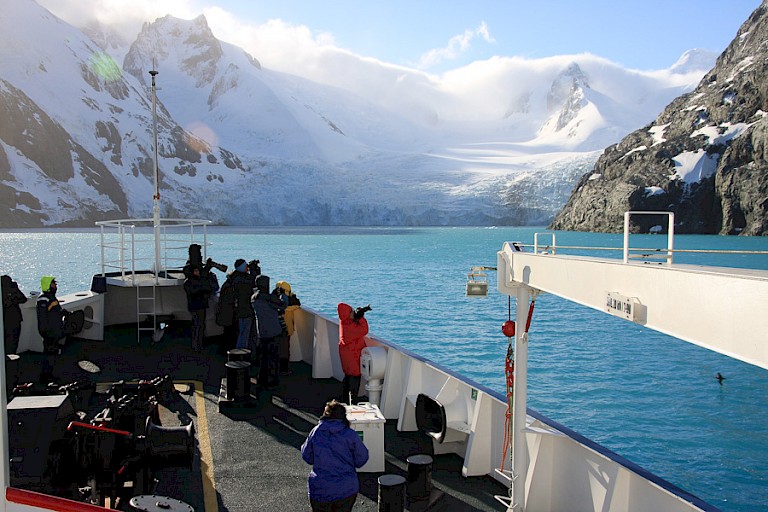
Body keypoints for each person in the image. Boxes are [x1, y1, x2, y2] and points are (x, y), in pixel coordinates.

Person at [301, 399, 369, 512]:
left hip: (320, 489)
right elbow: (362, 458)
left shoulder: (316, 431)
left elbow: (306, 456)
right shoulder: (350, 434)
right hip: (346, 488)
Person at [251, 275, 285, 388]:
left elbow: (266, 302)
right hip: (273, 331)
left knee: (263, 357)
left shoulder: (254, 297)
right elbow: (282, 305)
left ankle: (262, 379)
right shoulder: (269, 298)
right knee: (274, 358)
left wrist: (273, 295)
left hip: (261, 332)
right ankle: (274, 380)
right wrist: (283, 295)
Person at [337, 303, 371, 404]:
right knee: (354, 378)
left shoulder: (344, 322)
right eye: (351, 311)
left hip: (347, 354)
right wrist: (361, 318)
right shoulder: (350, 326)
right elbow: (364, 330)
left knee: (348, 377)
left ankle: (345, 399)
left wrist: (356, 317)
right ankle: (352, 401)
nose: (353, 312)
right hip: (353, 355)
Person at [36, 276, 67, 383]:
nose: (56, 285)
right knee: (49, 353)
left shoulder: (52, 298)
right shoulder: (43, 299)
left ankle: (50, 374)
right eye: (54, 283)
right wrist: (46, 332)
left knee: (53, 353)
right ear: (48, 285)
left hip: (55, 331)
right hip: (49, 332)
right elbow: (43, 318)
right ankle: (45, 376)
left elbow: (55, 313)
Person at [184, 265, 214, 352]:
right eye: (196, 271)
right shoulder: (194, 282)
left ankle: (196, 344)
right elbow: (204, 289)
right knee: (199, 326)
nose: (198, 272)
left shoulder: (188, 282)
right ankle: (198, 345)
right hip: (198, 305)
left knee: (196, 325)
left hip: (194, 306)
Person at [274, 280, 301, 375]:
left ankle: (276, 368)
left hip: (275, 329)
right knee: (284, 350)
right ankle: (284, 370)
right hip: (285, 329)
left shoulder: (273, 300)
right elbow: (297, 305)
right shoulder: (289, 303)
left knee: (276, 349)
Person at [231, 258, 256, 351]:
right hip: (245, 309)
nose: (247, 267)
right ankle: (241, 353)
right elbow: (254, 283)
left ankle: (242, 352)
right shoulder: (243, 280)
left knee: (243, 332)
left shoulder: (235, 277)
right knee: (244, 333)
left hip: (241, 309)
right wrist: (254, 271)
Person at [2, 274, 27, 356]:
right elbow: (23, 299)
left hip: (5, 321)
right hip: (14, 319)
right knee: (13, 342)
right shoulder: (12, 289)